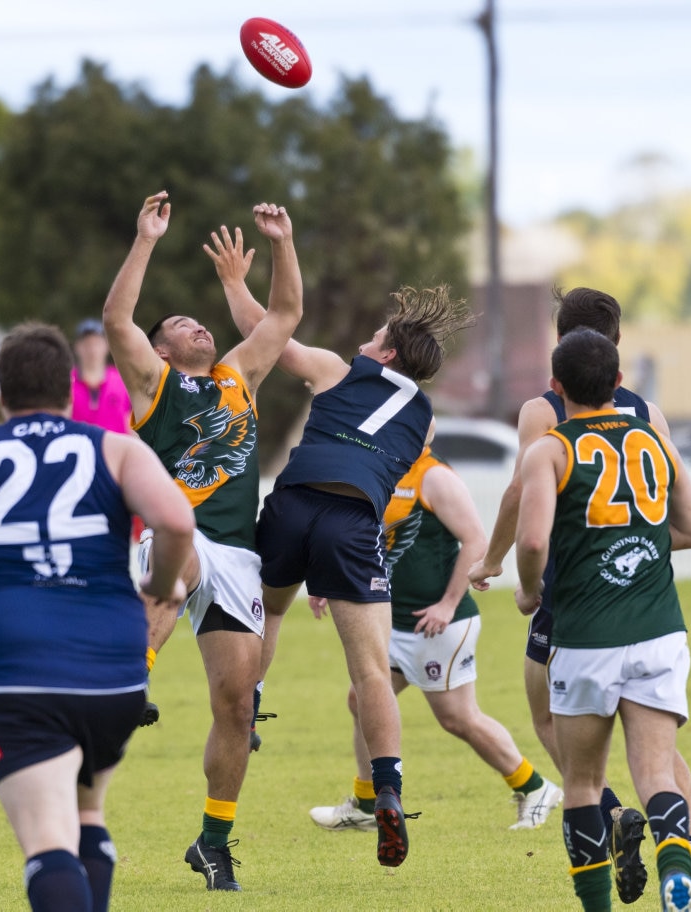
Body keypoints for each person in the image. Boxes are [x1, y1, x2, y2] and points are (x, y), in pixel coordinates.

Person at [0, 322, 195, 912]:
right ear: (68, 392)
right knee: (87, 815)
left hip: (19, 671)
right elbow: (178, 523)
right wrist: (161, 588)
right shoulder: (115, 447)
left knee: (47, 843)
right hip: (116, 673)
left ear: (2, 396)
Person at [468, 287, 691, 911]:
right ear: (618, 362)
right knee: (658, 763)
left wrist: (512, 574)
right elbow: (690, 528)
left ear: (556, 369)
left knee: (573, 764)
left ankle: (608, 847)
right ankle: (687, 858)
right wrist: (634, 547)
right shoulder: (650, 420)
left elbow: (523, 512)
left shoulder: (547, 426)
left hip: (578, 611)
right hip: (656, 616)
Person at [223, 267, 473, 868]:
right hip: (354, 521)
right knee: (370, 672)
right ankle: (386, 787)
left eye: (373, 336)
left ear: (385, 354)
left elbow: (269, 335)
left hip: (293, 501)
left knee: (270, 616)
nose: (363, 341)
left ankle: (249, 702)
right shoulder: (427, 421)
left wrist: (235, 282)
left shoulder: (340, 370)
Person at [101, 191, 303, 892]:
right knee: (180, 556)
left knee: (236, 703)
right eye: (183, 325)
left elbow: (283, 316)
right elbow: (115, 319)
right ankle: (133, 680)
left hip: (238, 555)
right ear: (160, 351)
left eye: (200, 322)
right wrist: (146, 238)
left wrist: (280, 243)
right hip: (174, 536)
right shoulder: (155, 385)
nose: (200, 328)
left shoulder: (238, 378)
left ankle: (213, 841)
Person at [307, 445, 563, 834]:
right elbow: (365, 539)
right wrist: (331, 580)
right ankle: (364, 803)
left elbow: (476, 541)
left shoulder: (433, 477)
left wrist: (446, 604)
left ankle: (535, 787)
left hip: (438, 625)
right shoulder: (376, 470)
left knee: (458, 718)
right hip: (393, 620)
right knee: (362, 699)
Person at [70, 318, 133, 436]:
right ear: (77, 347)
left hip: (116, 450)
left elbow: (131, 424)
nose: (92, 350)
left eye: (96, 344)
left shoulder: (123, 380)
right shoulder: (66, 381)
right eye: (87, 344)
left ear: (106, 346)